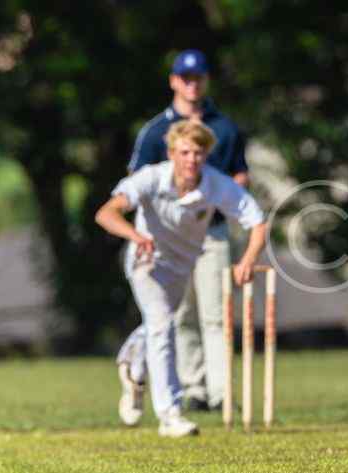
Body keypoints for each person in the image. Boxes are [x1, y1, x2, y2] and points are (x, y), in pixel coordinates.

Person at [96, 120, 266, 437]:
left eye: (198, 153)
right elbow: (106, 213)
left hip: (181, 266)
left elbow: (257, 222)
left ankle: (133, 369)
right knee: (162, 325)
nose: (191, 160)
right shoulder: (151, 178)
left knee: (158, 324)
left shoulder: (215, 184)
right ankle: (170, 414)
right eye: (185, 152)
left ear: (206, 156)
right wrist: (136, 236)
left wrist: (247, 260)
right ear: (172, 153)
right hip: (146, 262)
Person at [115, 49, 250, 426]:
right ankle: (192, 389)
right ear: (174, 81)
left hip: (211, 232)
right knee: (177, 316)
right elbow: (136, 182)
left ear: (206, 81)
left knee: (215, 314)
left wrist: (225, 197)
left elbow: (239, 175)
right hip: (165, 238)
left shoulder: (224, 128)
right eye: (185, 78)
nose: (192, 85)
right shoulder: (157, 130)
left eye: (198, 78)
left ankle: (220, 393)